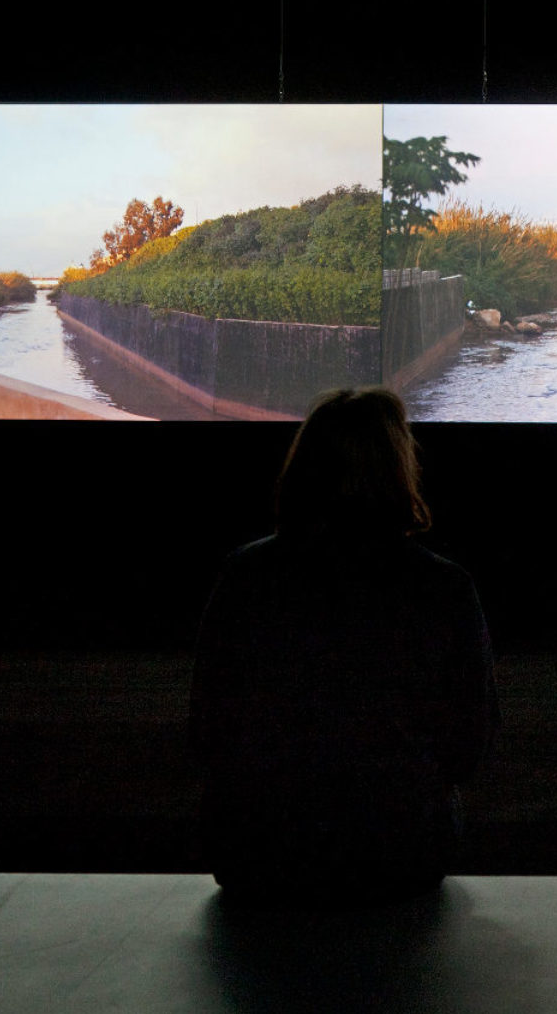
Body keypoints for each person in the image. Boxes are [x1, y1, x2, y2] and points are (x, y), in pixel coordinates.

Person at [191, 387, 496, 902]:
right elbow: (469, 747)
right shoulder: (444, 587)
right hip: (401, 851)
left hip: (258, 849)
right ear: (400, 469)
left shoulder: (245, 576)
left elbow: (208, 731)